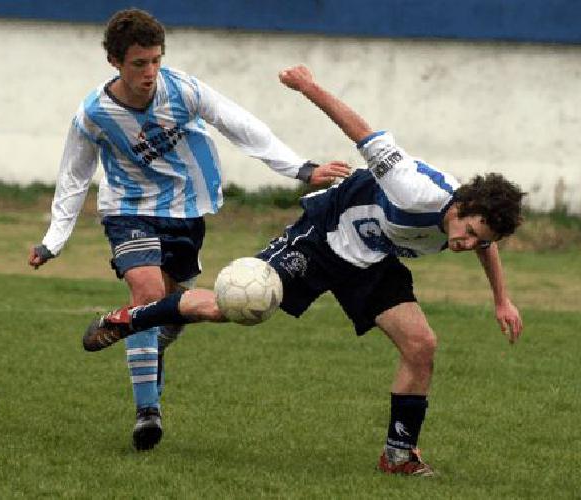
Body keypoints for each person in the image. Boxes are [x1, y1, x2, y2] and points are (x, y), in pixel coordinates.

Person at [81, 64, 526, 476]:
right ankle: (130, 319)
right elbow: (362, 131)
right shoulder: (412, 188)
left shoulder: (472, 228)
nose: (467, 244)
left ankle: (398, 454)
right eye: (468, 231)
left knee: (422, 344)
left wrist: (501, 299)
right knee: (229, 307)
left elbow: (487, 247)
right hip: (324, 235)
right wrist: (307, 86)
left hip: (371, 259)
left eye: (480, 240)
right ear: (462, 205)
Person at [27, 11, 350, 452]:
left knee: (166, 320)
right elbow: (74, 178)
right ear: (114, 61)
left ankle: (125, 331)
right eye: (139, 63)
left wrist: (300, 168)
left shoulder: (183, 90)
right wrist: (54, 240)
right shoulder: (94, 115)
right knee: (147, 295)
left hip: (187, 213)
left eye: (156, 61)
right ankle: (147, 414)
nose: (149, 73)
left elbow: (240, 124)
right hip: (129, 210)